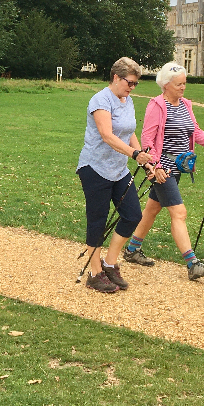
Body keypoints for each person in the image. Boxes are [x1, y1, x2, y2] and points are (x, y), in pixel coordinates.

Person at [122, 63, 204, 279]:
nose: (183, 87)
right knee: (179, 212)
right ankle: (193, 264)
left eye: (184, 83)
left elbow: (196, 133)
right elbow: (147, 140)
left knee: (153, 209)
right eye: (179, 84)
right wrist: (156, 166)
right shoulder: (157, 105)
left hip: (179, 167)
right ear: (166, 85)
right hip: (163, 170)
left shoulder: (185, 105)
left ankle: (132, 249)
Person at [76, 57, 153, 293]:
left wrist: (142, 156)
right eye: (129, 83)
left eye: (135, 84)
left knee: (132, 214)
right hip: (95, 168)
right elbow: (107, 135)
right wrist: (134, 154)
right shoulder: (100, 100)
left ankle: (110, 264)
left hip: (119, 169)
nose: (132, 88)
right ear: (116, 78)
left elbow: (129, 132)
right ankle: (94, 273)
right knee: (97, 221)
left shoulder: (126, 100)